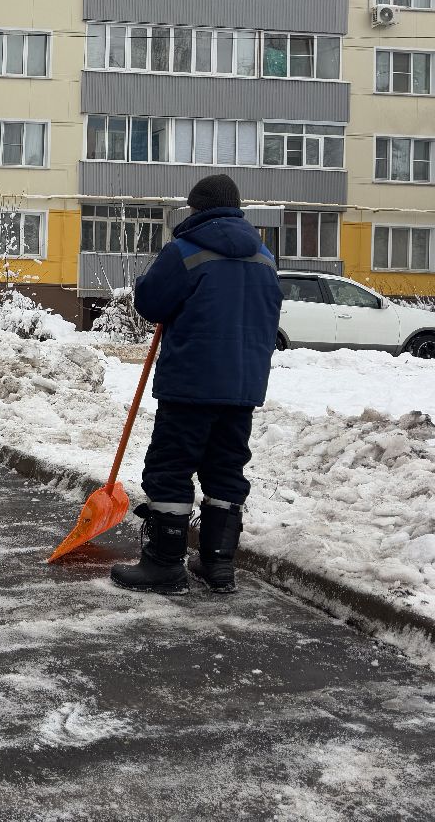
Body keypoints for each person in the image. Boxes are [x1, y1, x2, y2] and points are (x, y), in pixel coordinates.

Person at [110, 174, 282, 596]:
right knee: (226, 469)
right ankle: (218, 566)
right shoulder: (264, 255)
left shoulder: (185, 250)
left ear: (197, 208)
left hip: (191, 383)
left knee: (170, 468)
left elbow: (151, 303)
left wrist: (144, 287)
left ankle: (165, 565)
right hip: (243, 386)